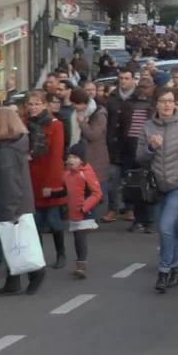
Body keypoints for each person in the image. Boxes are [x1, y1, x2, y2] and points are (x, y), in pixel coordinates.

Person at [137, 87, 178, 293]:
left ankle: (164, 271)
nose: (167, 105)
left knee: (166, 226)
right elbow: (139, 157)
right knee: (169, 227)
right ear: (156, 104)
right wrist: (151, 148)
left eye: (170, 101)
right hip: (158, 186)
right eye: (163, 101)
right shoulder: (148, 127)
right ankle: (175, 265)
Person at [0, 106, 47, 296]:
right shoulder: (15, 145)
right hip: (20, 203)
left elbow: (10, 183)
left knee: (15, 242)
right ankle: (14, 280)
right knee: (16, 243)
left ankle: (34, 273)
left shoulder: (6, 151)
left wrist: (11, 211)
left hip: (12, 205)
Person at [27, 90, 69, 269]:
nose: (33, 107)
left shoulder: (55, 124)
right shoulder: (24, 123)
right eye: (30, 104)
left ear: (45, 105)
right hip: (30, 176)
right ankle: (39, 257)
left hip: (49, 177)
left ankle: (61, 254)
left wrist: (51, 185)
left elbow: (56, 156)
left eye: (37, 104)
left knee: (53, 220)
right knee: (34, 223)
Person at [119, 76, 156, 233]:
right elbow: (122, 127)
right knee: (134, 187)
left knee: (149, 188)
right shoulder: (129, 104)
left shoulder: (155, 105)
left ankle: (149, 221)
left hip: (149, 149)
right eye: (141, 86)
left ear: (152, 88)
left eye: (146, 87)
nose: (143, 89)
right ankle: (137, 219)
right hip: (130, 148)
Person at [60, 142, 102, 278]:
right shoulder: (67, 174)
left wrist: (85, 207)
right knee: (77, 237)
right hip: (74, 212)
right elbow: (65, 191)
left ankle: (81, 266)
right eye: (69, 156)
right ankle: (80, 263)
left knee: (80, 236)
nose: (70, 160)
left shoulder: (86, 173)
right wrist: (52, 193)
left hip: (85, 212)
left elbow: (97, 193)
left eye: (75, 157)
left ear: (82, 160)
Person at [103, 68, 137, 222]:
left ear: (132, 79)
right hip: (114, 145)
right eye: (121, 78)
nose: (124, 81)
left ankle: (130, 208)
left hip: (132, 145)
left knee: (130, 179)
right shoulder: (112, 97)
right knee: (113, 180)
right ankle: (113, 209)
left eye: (127, 78)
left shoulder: (137, 98)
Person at [72, 89, 109, 220]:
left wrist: (82, 123)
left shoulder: (98, 114)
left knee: (95, 187)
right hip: (86, 154)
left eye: (77, 104)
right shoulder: (83, 113)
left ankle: (93, 215)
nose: (75, 107)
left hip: (96, 156)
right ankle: (87, 215)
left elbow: (93, 135)